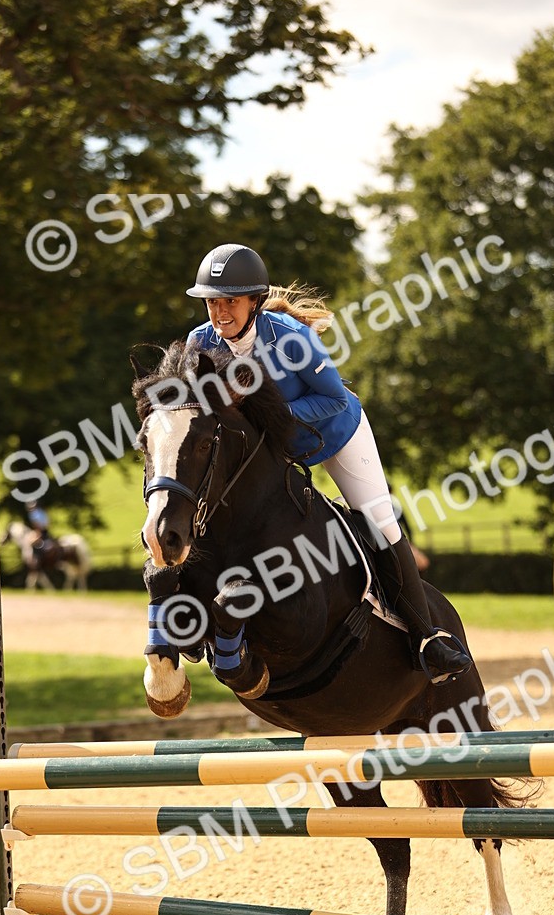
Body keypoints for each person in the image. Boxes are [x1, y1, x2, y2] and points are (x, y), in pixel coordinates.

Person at [185, 242, 471, 682]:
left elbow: (334, 399)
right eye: (213, 302)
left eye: (232, 301)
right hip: (272, 451)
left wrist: (271, 417)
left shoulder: (289, 337)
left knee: (380, 520)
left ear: (255, 301)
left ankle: (427, 637)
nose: (221, 312)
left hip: (336, 434)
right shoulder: (199, 344)